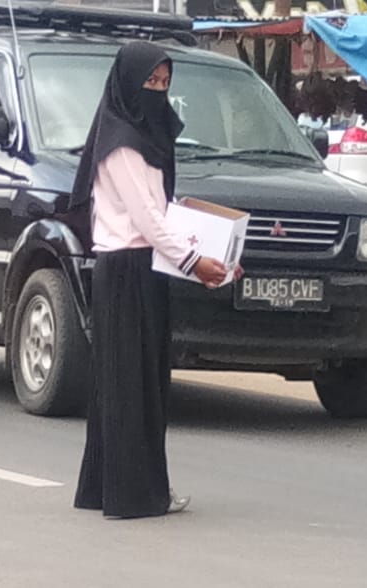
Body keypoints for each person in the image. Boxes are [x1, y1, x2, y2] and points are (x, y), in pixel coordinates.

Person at [70, 41, 231, 519]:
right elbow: (147, 219)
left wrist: (215, 254)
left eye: (164, 84)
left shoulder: (138, 137)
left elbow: (163, 214)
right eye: (150, 83)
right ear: (127, 85)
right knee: (132, 384)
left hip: (145, 266)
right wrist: (193, 262)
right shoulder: (122, 143)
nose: (158, 93)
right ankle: (136, 494)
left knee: (126, 381)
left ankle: (103, 486)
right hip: (127, 267)